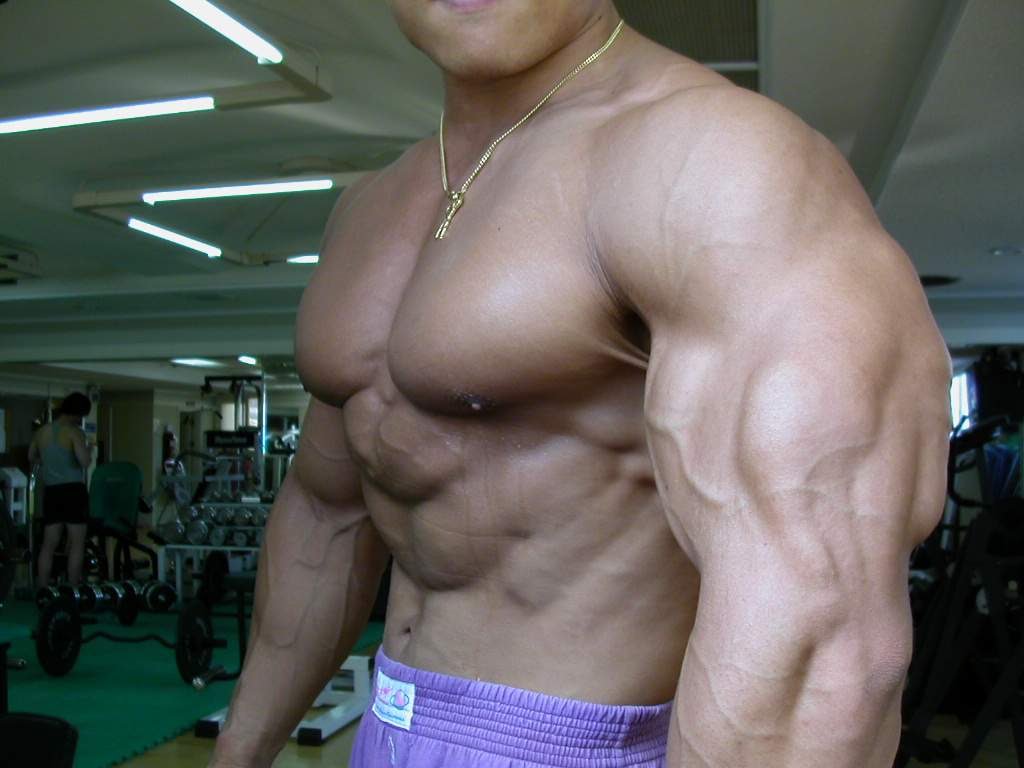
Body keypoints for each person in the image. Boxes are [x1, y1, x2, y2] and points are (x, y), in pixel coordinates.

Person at [211, 2, 952, 767]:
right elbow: (324, 513)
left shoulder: (717, 158)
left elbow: (815, 627)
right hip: (387, 724)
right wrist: (239, 751)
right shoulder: (366, 208)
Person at [29, 392, 93, 588]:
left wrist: (49, 463)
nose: (81, 419)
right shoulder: (74, 432)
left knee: (48, 544)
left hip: (52, 492)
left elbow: (31, 457)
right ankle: (73, 588)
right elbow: (84, 462)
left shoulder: (42, 432)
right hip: (73, 491)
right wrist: (89, 450)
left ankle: (42, 588)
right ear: (77, 413)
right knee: (77, 543)